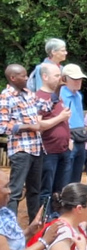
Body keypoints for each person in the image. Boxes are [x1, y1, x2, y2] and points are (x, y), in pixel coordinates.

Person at [0, 64, 44, 220]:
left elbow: (44, 107)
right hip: (21, 150)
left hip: (36, 148)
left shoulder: (28, 94)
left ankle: (34, 227)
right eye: (23, 76)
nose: (26, 78)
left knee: (35, 191)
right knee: (15, 191)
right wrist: (29, 127)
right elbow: (3, 126)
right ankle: (10, 229)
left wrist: (55, 89)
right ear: (13, 78)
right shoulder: (6, 96)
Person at [36, 63, 72, 208]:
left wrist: (69, 138)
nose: (60, 78)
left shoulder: (57, 97)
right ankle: (44, 220)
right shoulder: (38, 97)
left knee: (60, 190)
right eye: (57, 75)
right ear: (45, 77)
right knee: (46, 189)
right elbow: (38, 125)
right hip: (48, 151)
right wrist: (60, 118)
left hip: (63, 150)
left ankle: (57, 217)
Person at [59, 64, 87, 186]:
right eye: (74, 79)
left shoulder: (78, 95)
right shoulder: (60, 95)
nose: (78, 82)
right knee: (65, 176)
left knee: (76, 177)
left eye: (80, 79)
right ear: (65, 79)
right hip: (69, 139)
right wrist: (68, 138)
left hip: (80, 138)